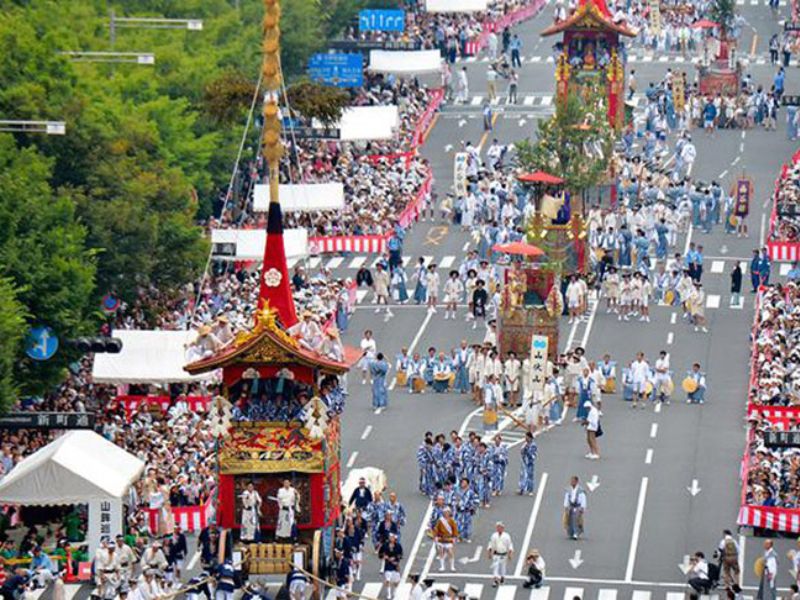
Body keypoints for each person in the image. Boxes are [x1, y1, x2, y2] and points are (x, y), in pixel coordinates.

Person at [487, 522, 513, 588]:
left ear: (503, 528)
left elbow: (509, 545)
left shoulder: (506, 536)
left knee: (503, 567)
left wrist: (510, 554)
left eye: (500, 527)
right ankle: (495, 580)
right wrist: (490, 553)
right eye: (497, 527)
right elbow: (491, 544)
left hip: (503, 554)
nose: (498, 529)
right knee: (495, 567)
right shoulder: (494, 535)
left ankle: (502, 578)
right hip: (496, 554)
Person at [432, 506, 458, 572]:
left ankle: (452, 566)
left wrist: (454, 537)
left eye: (447, 512)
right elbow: (436, 529)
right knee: (441, 552)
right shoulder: (440, 520)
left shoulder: (452, 521)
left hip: (448, 539)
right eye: (445, 512)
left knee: (450, 552)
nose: (446, 514)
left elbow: (455, 529)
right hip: (441, 539)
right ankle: (442, 566)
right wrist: (435, 536)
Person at [379, 534, 403, 600]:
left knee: (396, 582)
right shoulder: (385, 545)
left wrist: (395, 558)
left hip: (395, 565)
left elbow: (401, 555)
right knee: (388, 580)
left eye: (393, 537)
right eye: (390, 537)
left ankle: (394, 592)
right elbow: (380, 554)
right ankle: (388, 594)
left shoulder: (398, 546)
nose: (391, 538)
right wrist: (383, 556)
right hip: (387, 565)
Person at [563, 476, 586, 540]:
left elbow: (583, 499)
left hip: (577, 506)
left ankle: (576, 533)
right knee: (569, 520)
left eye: (573, 481)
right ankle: (571, 532)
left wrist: (582, 507)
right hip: (571, 506)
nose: (571, 482)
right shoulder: (569, 490)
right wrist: (566, 506)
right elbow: (566, 498)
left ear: (576, 482)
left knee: (576, 520)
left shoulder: (580, 490)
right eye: (571, 481)